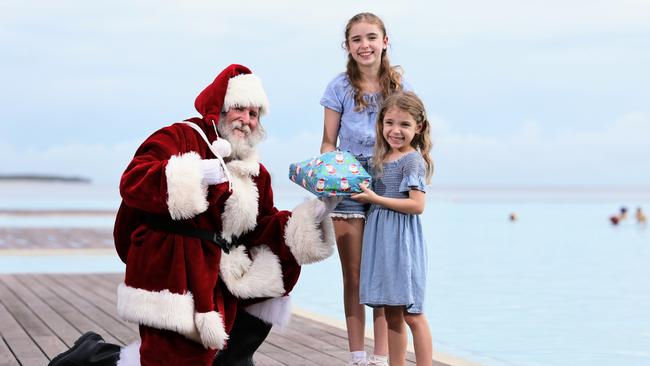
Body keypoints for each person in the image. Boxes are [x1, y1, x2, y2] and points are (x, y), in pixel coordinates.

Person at [48, 64, 338, 366]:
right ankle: (90, 357)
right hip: (174, 269)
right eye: (240, 109)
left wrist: (310, 218)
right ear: (221, 108)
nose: (247, 120)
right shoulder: (180, 137)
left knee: (232, 356)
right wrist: (192, 174)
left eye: (254, 114)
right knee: (168, 361)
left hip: (224, 275)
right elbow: (133, 181)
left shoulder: (256, 172)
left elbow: (261, 227)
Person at [319, 12, 411, 366]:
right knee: (354, 273)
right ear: (348, 46)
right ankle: (357, 356)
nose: (365, 45)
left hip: (387, 180)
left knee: (382, 273)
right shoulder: (338, 87)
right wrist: (337, 173)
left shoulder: (397, 89)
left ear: (385, 41)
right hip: (348, 179)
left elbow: (405, 137)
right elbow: (328, 142)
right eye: (357, 39)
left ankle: (381, 357)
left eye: (371, 37)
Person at [352, 91, 434, 366]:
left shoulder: (412, 160)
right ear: (381, 123)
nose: (395, 131)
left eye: (404, 124)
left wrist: (375, 199)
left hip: (402, 241)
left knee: (412, 313)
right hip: (381, 240)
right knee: (391, 312)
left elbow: (417, 204)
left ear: (418, 127)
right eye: (389, 123)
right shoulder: (380, 158)